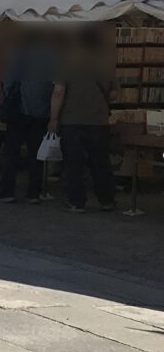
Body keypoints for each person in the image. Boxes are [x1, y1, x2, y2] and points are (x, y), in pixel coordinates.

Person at [50, 27, 117, 213]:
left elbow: (59, 92)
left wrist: (54, 118)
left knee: (73, 163)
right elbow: (113, 95)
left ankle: (76, 201)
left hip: (72, 120)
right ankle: (106, 200)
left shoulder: (67, 62)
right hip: (99, 121)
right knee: (101, 162)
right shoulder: (106, 65)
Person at [0, 32, 54, 204]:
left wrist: (5, 96)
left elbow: (9, 80)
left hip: (19, 109)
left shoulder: (20, 53)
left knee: (12, 151)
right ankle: (33, 193)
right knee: (36, 153)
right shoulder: (52, 56)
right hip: (42, 110)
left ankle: (7, 191)